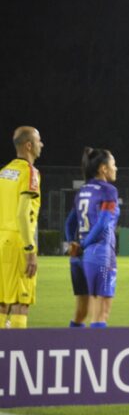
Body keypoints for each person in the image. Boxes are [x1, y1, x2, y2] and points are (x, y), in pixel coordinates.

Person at [64, 147, 120, 328]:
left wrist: (73, 244)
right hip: (99, 256)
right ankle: (98, 356)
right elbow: (103, 224)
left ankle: (73, 352)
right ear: (103, 168)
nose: (116, 168)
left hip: (77, 260)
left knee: (80, 312)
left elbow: (69, 223)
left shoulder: (83, 190)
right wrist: (84, 245)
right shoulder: (108, 190)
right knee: (100, 314)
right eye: (113, 164)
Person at [0, 126, 43, 329]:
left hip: (1, 242)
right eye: (38, 141)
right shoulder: (30, 172)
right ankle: (14, 357)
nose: (41, 145)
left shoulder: (4, 172)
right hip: (18, 243)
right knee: (20, 303)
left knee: (2, 302)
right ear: (29, 145)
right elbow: (22, 214)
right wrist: (30, 249)